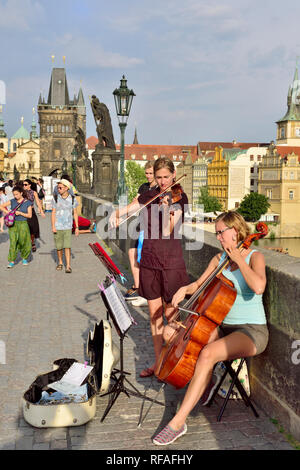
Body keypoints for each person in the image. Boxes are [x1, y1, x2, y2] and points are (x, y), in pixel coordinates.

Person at [152, 211, 269, 446]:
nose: (218, 238)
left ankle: (178, 422)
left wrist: (237, 259)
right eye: (216, 233)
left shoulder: (255, 257)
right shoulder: (218, 260)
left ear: (236, 231)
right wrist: (183, 290)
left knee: (207, 354)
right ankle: (202, 379)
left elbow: (258, 287)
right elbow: (198, 285)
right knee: (170, 332)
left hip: (251, 331)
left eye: (221, 233)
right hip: (222, 327)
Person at [112, 157, 190, 378]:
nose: (163, 181)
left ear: (174, 175)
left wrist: (166, 210)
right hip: (149, 261)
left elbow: (167, 231)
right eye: (159, 177)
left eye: (166, 177)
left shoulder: (180, 198)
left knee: (171, 315)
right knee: (154, 316)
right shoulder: (150, 194)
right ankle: (159, 362)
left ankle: (176, 363)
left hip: (170, 263)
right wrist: (115, 215)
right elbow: (130, 208)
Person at [110, 161, 157, 305]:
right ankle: (137, 285)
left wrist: (119, 213)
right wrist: (121, 216)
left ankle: (147, 289)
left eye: (151, 173)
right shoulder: (144, 187)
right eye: (147, 173)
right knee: (132, 252)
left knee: (144, 256)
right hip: (141, 223)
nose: (148, 176)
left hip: (151, 227)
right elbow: (134, 205)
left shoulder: (158, 189)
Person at [0, 185, 32, 268]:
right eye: (14, 194)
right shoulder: (12, 201)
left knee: (23, 241)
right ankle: (11, 260)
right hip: (13, 224)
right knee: (13, 242)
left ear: (21, 193)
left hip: (23, 224)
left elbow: (30, 215)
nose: (15, 196)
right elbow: (1, 206)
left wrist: (20, 213)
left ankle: (24, 257)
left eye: (17, 194)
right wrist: (8, 212)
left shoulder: (27, 202)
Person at [51, 178, 79, 273]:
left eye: (60, 187)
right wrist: (53, 226)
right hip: (58, 226)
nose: (59, 189)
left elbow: (75, 213)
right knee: (59, 247)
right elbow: (53, 213)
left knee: (67, 246)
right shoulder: (55, 198)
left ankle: (68, 266)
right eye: (58, 187)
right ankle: (60, 262)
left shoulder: (73, 199)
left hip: (68, 226)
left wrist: (77, 227)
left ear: (67, 188)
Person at [23, 179, 45, 251]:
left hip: (31, 211)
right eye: (23, 184)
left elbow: (38, 202)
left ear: (29, 185)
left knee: (33, 228)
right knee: (24, 228)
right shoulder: (22, 192)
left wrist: (41, 211)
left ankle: (32, 242)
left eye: (25, 184)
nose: (24, 186)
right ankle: (25, 243)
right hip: (24, 211)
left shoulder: (34, 192)